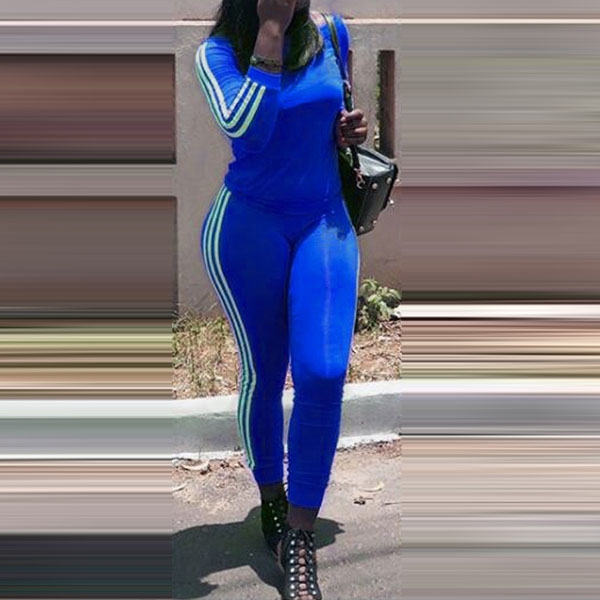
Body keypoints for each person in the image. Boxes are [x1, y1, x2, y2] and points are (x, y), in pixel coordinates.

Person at [195, 1, 367, 598]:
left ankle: (299, 532)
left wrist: (346, 129)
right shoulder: (217, 53)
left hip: (323, 220)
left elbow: (333, 114)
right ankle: (272, 497)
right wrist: (269, 31)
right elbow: (248, 129)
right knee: (264, 374)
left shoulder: (331, 31)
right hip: (248, 229)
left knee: (323, 372)